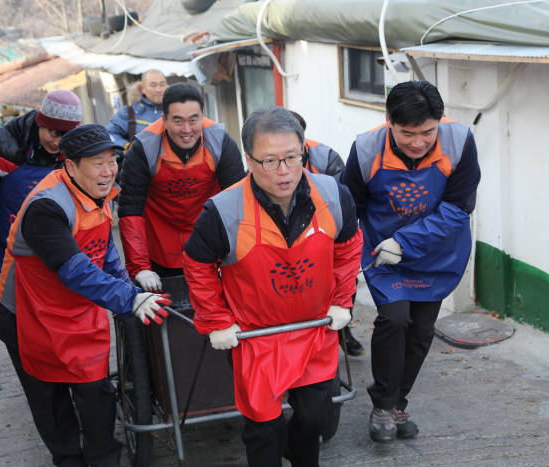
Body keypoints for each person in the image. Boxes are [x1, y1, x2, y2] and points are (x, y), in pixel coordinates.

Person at [183, 107, 363, 466]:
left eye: (292, 158)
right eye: (269, 161)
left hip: (313, 332)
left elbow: (348, 247)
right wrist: (216, 320)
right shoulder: (224, 210)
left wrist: (343, 300)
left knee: (315, 418)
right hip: (257, 340)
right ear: (248, 159)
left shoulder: (332, 196)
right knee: (264, 430)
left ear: (304, 153)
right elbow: (198, 265)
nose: (283, 171)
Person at [0, 124, 171, 467]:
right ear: (70, 166)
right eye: (97, 163)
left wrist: (128, 286)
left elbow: (102, 250)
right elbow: (74, 269)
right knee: (52, 401)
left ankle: (104, 461)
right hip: (25, 317)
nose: (108, 171)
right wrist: (127, 299)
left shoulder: (98, 192)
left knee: (96, 393)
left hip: (73, 311)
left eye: (111, 161)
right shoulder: (46, 207)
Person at [341, 80, 481, 443]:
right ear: (389, 121)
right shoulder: (366, 148)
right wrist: (343, 262)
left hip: (438, 252)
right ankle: (382, 405)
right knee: (394, 318)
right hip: (384, 255)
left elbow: (458, 207)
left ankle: (397, 402)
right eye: (407, 133)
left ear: (439, 122)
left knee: (421, 331)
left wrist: (405, 241)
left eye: (427, 132)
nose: (418, 142)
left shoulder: (459, 142)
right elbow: (349, 209)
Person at [118, 82, 245, 291]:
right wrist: (139, 267)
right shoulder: (143, 147)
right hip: (160, 239)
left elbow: (238, 202)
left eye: (193, 120)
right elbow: (131, 209)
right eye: (178, 121)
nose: (187, 130)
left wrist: (237, 253)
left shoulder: (220, 142)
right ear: (164, 120)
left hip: (207, 234)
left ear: (202, 117)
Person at [0, 89, 83, 286]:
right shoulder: (3, 145)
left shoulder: (77, 147)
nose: (58, 142)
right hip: (9, 241)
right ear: (41, 123)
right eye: (53, 133)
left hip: (58, 239)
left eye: (66, 135)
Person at [290, 110, 365, 357]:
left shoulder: (327, 157)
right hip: (286, 240)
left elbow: (341, 202)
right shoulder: (265, 157)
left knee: (343, 282)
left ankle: (343, 332)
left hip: (326, 232)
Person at [107, 69, 168, 153]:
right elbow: (109, 134)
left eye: (162, 84)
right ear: (142, 88)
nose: (158, 89)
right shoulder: (129, 112)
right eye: (153, 85)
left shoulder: (174, 111)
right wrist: (127, 148)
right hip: (139, 164)